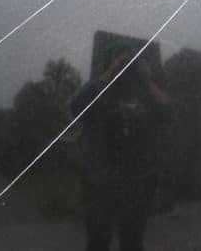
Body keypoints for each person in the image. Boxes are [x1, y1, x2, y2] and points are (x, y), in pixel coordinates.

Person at [71, 38, 169, 251]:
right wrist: (109, 74)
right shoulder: (97, 93)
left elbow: (167, 113)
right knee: (98, 241)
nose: (124, 69)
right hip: (100, 183)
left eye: (129, 63)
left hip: (136, 182)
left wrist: (147, 79)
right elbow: (76, 106)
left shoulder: (143, 93)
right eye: (117, 62)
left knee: (132, 241)